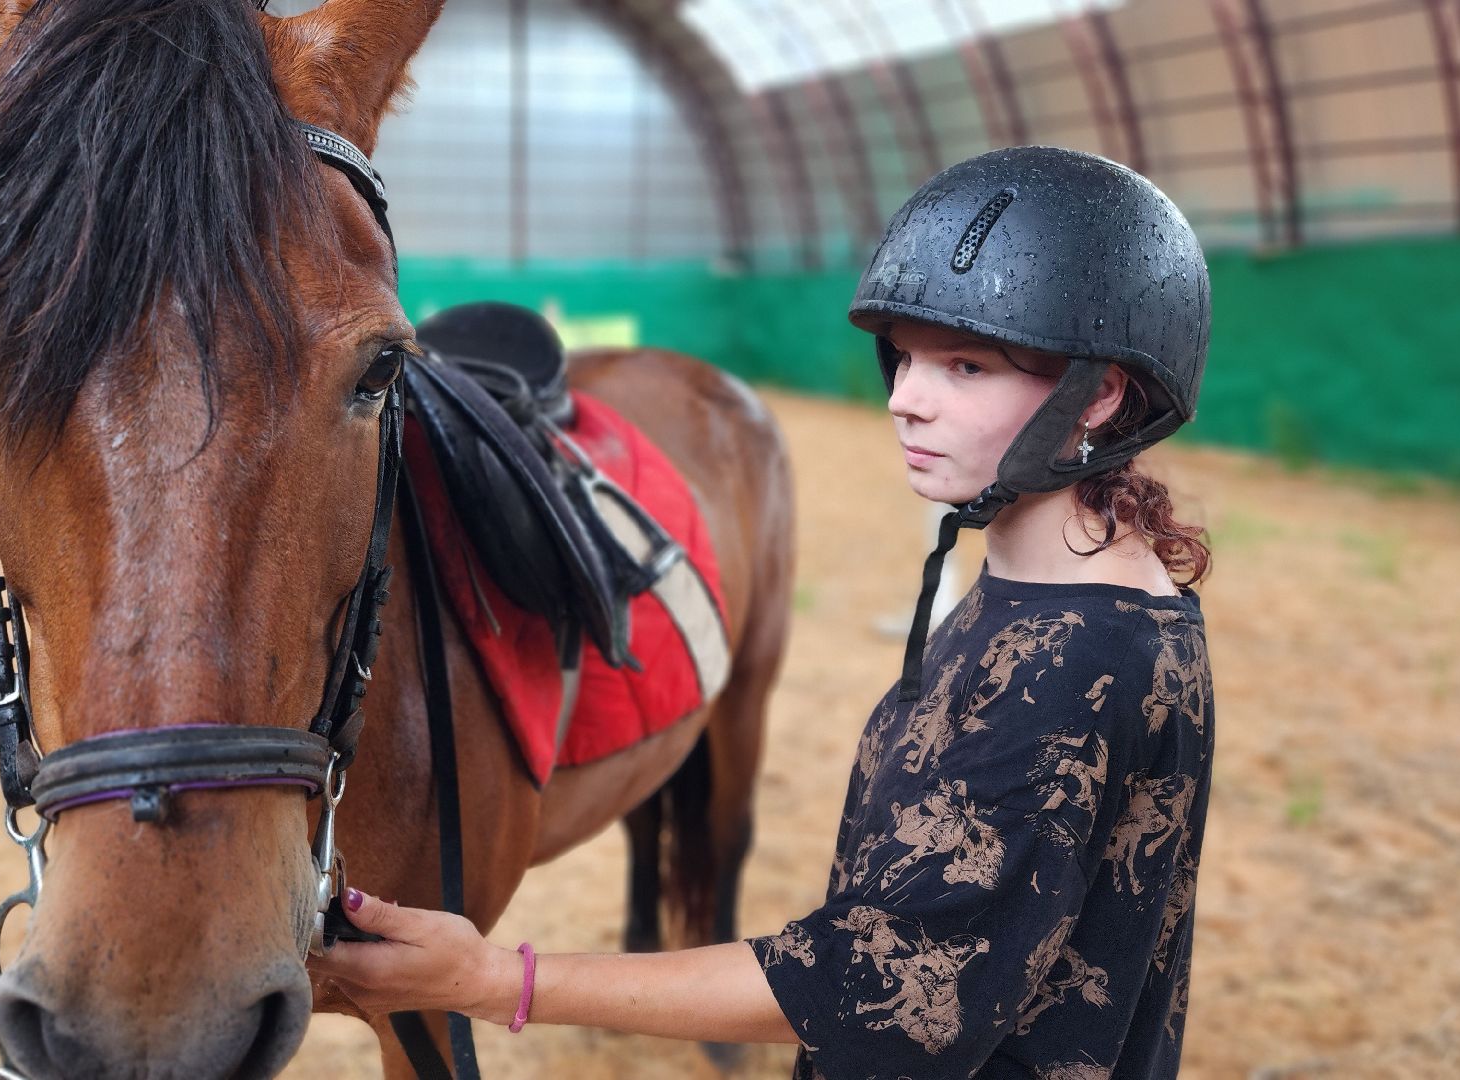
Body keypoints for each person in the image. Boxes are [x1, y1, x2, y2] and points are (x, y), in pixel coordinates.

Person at [312, 145, 1216, 1079]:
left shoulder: (1066, 666)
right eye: (904, 360)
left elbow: (878, 991)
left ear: (1099, 394)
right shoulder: (1090, 592)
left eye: (967, 367)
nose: (906, 402)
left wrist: (496, 979)